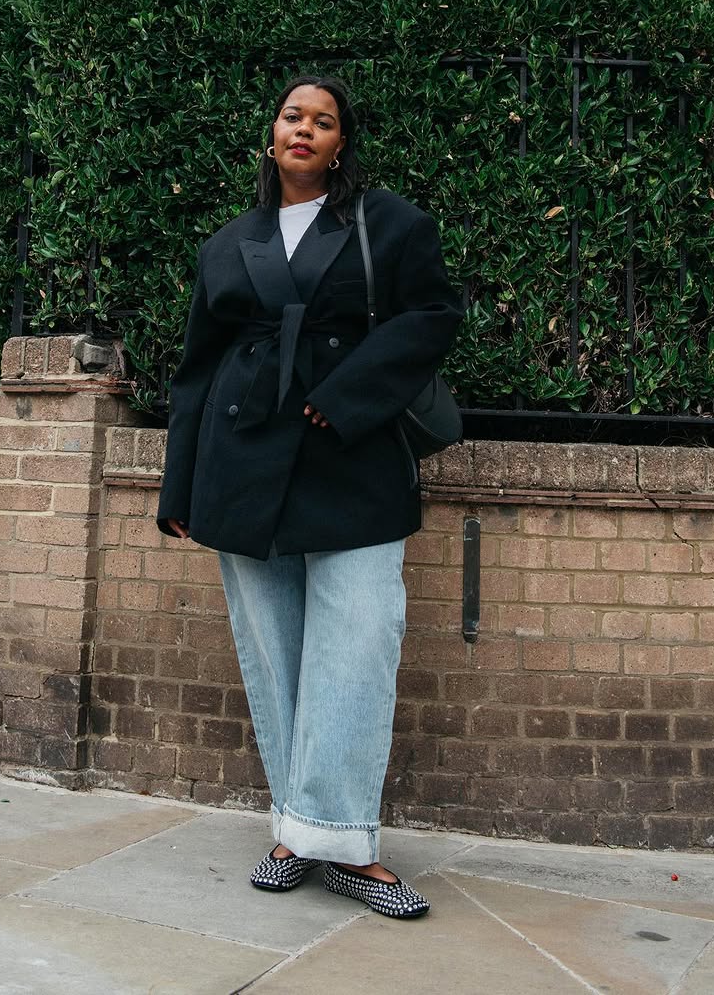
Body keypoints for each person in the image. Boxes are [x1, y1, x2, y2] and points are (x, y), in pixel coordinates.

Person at [157, 73, 463, 919]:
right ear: (272, 136)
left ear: (339, 145)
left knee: (360, 644)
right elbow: (194, 372)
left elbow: (433, 314)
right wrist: (180, 485)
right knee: (273, 650)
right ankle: (297, 832)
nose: (305, 129)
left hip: (351, 453)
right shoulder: (228, 243)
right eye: (293, 115)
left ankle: (346, 842)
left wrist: (347, 393)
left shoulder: (389, 222)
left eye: (323, 121)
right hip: (242, 459)